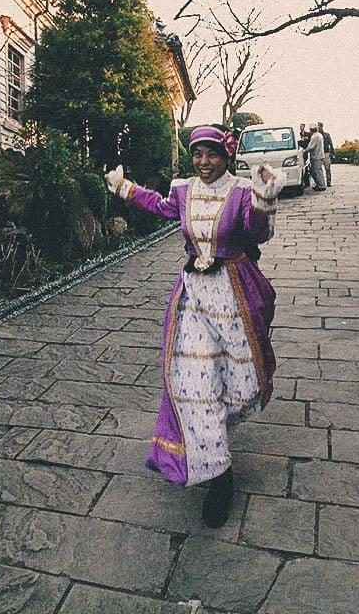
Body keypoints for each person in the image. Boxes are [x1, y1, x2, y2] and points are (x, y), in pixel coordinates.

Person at [104, 125, 280, 528]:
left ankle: (212, 433)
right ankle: (219, 476)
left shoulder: (239, 191)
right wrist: (123, 187)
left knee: (242, 388)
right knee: (193, 385)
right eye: (197, 154)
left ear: (226, 156)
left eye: (212, 154)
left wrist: (265, 197)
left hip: (235, 295)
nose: (203, 162)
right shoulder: (183, 190)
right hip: (193, 301)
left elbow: (258, 232)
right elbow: (162, 206)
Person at [306, 126, 327, 191]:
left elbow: (311, 147)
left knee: (317, 171)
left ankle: (321, 185)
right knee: (315, 171)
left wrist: (305, 151)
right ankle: (319, 184)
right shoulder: (319, 135)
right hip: (319, 155)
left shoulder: (315, 136)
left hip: (316, 156)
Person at [317, 122, 333, 187]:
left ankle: (328, 182)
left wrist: (332, 153)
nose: (318, 128)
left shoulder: (327, 135)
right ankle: (320, 182)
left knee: (327, 168)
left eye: (319, 126)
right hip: (319, 153)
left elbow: (331, 144)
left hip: (326, 153)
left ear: (321, 126)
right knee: (318, 169)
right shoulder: (316, 135)